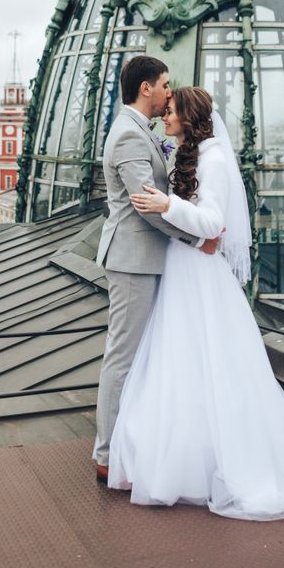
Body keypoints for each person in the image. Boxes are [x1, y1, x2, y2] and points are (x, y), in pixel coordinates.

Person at [108, 85, 284, 518]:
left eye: (173, 111)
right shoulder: (194, 152)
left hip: (198, 273)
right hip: (184, 269)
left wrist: (168, 205)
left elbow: (214, 224)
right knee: (185, 362)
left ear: (189, 116)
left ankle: (198, 462)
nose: (166, 115)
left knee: (202, 362)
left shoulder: (214, 159)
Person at [93, 58, 223, 484]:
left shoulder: (135, 130)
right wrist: (195, 240)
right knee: (124, 359)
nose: (170, 92)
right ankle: (108, 454)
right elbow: (145, 206)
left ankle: (129, 446)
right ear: (146, 88)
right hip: (134, 259)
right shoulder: (130, 135)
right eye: (165, 85)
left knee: (138, 357)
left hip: (144, 258)